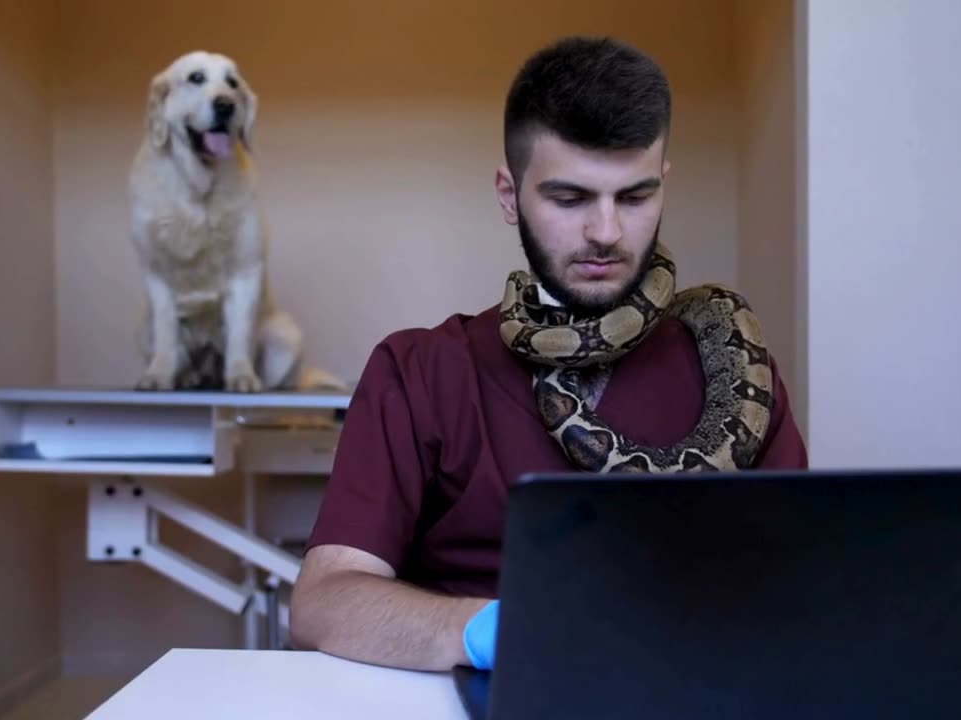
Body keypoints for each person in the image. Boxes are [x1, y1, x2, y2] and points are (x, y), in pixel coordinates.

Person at [287, 36, 809, 673]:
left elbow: (798, 584)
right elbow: (323, 604)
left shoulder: (735, 372)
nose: (606, 232)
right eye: (570, 199)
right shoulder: (420, 370)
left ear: (664, 185)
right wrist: (496, 630)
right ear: (510, 195)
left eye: (635, 197)